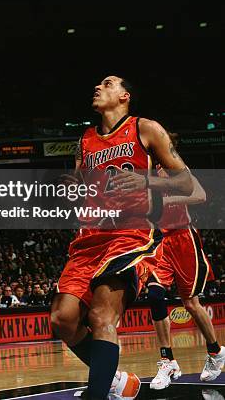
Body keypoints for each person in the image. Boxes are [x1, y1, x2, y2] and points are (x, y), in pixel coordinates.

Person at [50, 76, 194, 400]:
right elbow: (81, 187)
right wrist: (70, 188)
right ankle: (116, 382)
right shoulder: (85, 140)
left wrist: (146, 181)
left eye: (108, 83)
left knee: (102, 315)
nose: (98, 87)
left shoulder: (146, 129)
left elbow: (186, 183)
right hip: (90, 236)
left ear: (125, 95)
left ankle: (99, 393)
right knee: (63, 319)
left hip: (130, 233)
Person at [147, 134, 224, 389]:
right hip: (161, 241)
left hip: (183, 237)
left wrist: (170, 200)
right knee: (155, 294)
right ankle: (167, 360)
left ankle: (215, 352)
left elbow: (200, 195)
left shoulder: (178, 169)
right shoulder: (148, 172)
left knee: (191, 303)